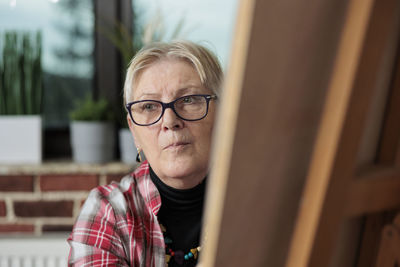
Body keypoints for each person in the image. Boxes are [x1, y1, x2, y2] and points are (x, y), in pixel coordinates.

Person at [68, 40, 223, 267]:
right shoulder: (108, 212)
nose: (170, 121)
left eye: (189, 100)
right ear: (134, 131)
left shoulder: (260, 202)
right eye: (149, 106)